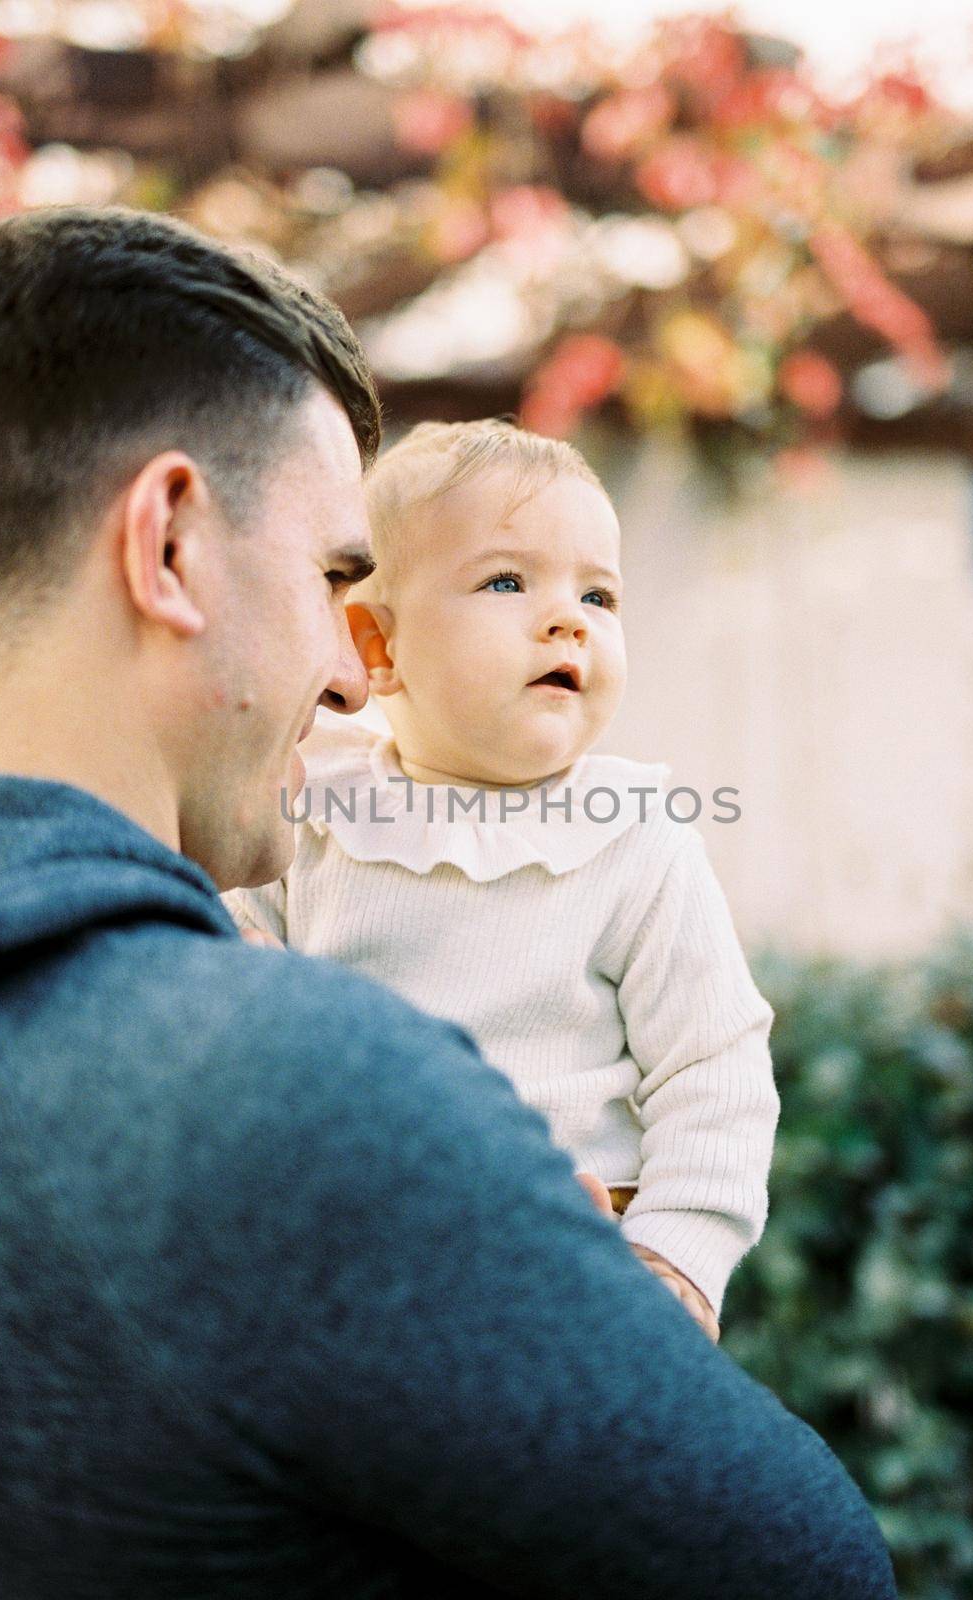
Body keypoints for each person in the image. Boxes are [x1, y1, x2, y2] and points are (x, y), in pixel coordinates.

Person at [0, 206, 896, 1599]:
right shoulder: (279, 1093)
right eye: (336, 584)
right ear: (168, 545)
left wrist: (676, 1261)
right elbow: (812, 1572)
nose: (350, 683)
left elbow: (712, 1067)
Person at [227, 419, 780, 1344]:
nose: (567, 618)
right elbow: (233, 987)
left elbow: (712, 1064)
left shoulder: (635, 839)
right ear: (376, 646)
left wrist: (674, 1253)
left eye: (598, 595)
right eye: (505, 581)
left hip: (570, 1262)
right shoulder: (310, 804)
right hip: (347, 1254)